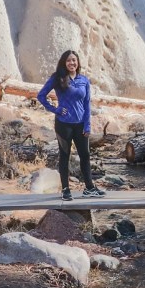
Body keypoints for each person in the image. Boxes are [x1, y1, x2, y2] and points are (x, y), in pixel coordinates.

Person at [37, 50, 105, 201]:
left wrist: (87, 125)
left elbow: (87, 104)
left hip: (80, 125)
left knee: (85, 155)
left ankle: (89, 188)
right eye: (68, 61)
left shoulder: (84, 80)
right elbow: (41, 96)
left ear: (78, 62)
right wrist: (55, 109)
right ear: (64, 63)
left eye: (74, 60)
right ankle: (66, 189)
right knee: (65, 156)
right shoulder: (58, 78)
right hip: (63, 125)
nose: (72, 63)